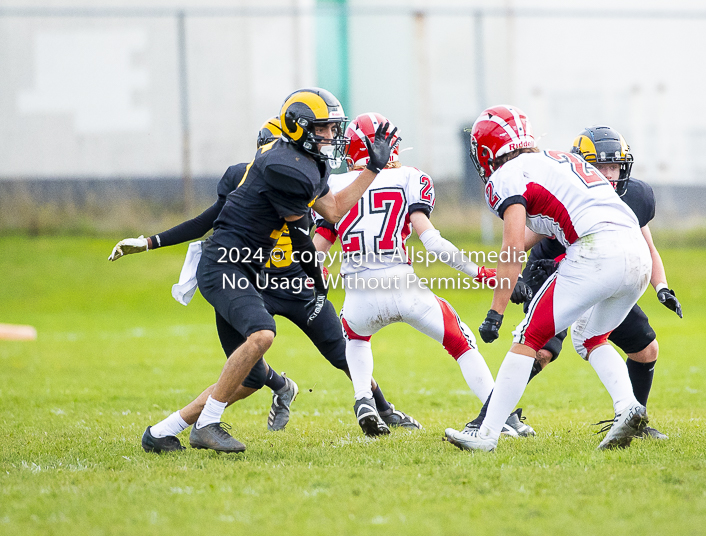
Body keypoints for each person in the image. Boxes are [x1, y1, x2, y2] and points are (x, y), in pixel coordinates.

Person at [109, 116, 414, 453]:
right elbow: (212, 223)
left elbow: (333, 211)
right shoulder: (273, 174)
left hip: (279, 278)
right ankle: (211, 423)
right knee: (262, 335)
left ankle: (163, 431)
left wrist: (372, 167)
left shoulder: (306, 171)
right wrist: (151, 242)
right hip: (242, 274)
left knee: (254, 377)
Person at [444, 105, 653, 452]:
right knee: (590, 336)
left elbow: (512, 246)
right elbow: (534, 236)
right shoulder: (557, 160)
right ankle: (627, 406)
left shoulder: (507, 175)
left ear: (486, 152)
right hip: (635, 252)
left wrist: (495, 311)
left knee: (528, 336)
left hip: (595, 250)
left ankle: (486, 435)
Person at [312, 112, 509, 436]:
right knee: (462, 343)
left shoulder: (334, 185)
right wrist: (478, 272)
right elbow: (432, 241)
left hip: (358, 291)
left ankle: (363, 398)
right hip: (401, 283)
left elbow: (316, 250)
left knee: (356, 338)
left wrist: (303, 277)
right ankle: (501, 416)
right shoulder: (409, 177)